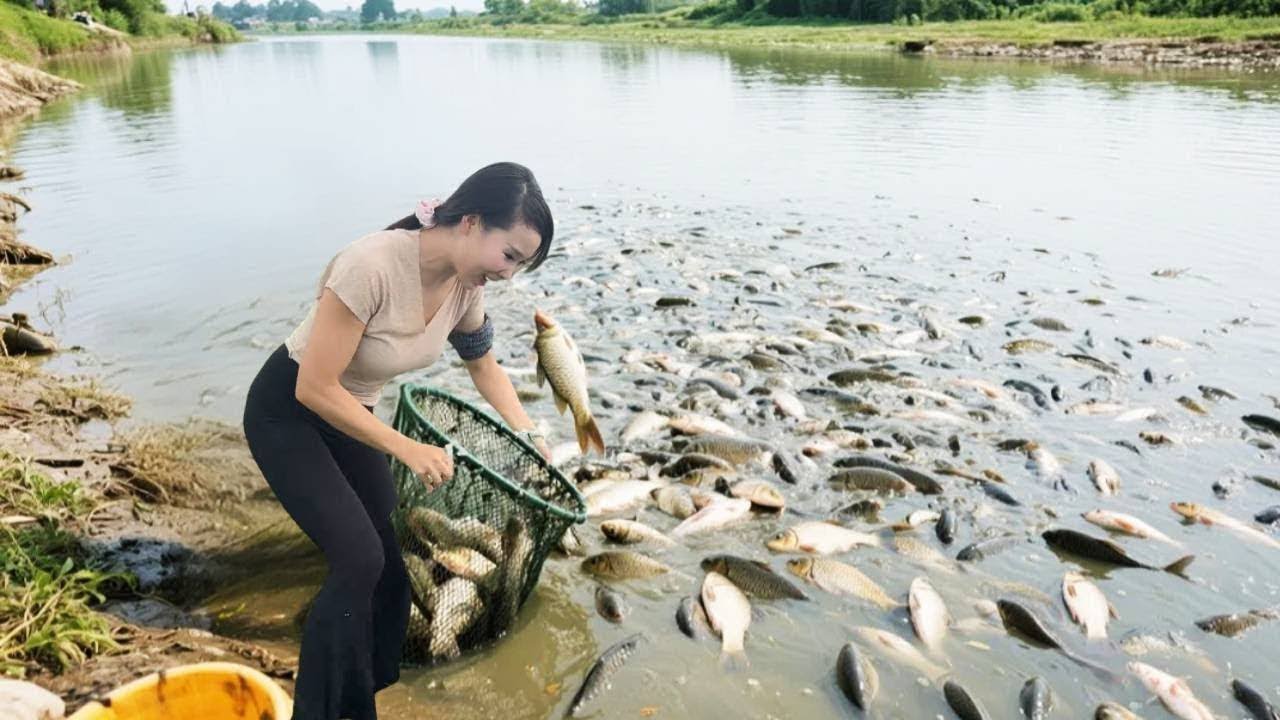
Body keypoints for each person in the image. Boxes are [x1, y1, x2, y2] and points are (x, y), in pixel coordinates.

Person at [242, 161, 554, 720]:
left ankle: (366, 692)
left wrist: (528, 432)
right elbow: (314, 388)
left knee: (390, 569)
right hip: (287, 411)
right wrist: (404, 448)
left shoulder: (463, 287)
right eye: (509, 255)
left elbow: (483, 366)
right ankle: (319, 712)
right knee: (358, 559)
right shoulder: (370, 265)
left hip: (349, 413)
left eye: (521, 265)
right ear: (471, 222)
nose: (510, 273)